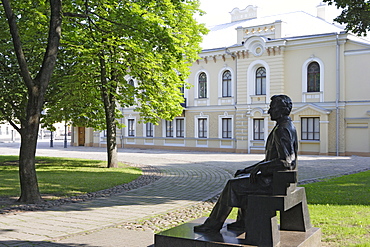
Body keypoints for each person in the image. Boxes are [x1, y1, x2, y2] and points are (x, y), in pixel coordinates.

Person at [194, 94, 298, 232]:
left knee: (232, 186)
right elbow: (272, 160)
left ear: (281, 109)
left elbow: (287, 161)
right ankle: (243, 221)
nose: (268, 111)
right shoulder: (287, 125)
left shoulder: (282, 129)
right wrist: (247, 170)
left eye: (272, 108)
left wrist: (261, 167)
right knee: (242, 179)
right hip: (279, 180)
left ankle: (213, 224)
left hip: (275, 183)